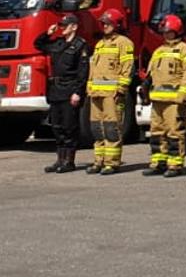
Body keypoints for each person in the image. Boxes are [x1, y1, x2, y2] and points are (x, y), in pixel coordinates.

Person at [141, 15, 186, 177]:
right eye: (163, 32)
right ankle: (158, 162)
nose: (165, 34)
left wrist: (183, 96)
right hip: (157, 100)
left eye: (168, 32)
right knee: (156, 132)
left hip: (174, 101)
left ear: (176, 31)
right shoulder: (159, 51)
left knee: (174, 133)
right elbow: (151, 73)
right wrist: (146, 87)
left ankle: (175, 164)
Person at [34, 13, 87, 174]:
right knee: (57, 127)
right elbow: (38, 44)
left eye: (65, 25)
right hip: (56, 90)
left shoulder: (80, 45)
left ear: (74, 27)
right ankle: (59, 160)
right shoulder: (57, 43)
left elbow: (83, 71)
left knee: (69, 127)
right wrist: (48, 33)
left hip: (70, 89)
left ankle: (69, 161)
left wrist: (78, 92)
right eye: (61, 25)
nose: (62, 28)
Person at [85, 9, 136, 174]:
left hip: (112, 95)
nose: (105, 26)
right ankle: (98, 161)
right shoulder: (100, 44)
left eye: (108, 23)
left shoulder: (124, 43)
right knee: (96, 129)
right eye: (104, 23)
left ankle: (112, 162)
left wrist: (121, 89)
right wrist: (89, 87)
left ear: (117, 24)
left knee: (111, 128)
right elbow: (93, 68)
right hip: (96, 94)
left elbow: (127, 68)